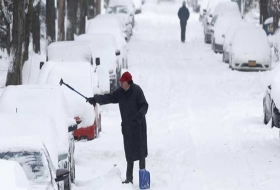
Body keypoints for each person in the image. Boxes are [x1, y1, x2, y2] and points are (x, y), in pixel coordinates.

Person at [87, 71, 149, 184]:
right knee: (129, 153)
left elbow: (145, 105)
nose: (121, 83)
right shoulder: (120, 92)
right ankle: (129, 179)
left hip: (139, 126)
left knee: (140, 153)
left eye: (122, 82)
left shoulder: (137, 90)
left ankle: (143, 179)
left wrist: (140, 114)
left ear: (127, 82)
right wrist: (95, 99)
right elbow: (108, 97)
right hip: (127, 127)